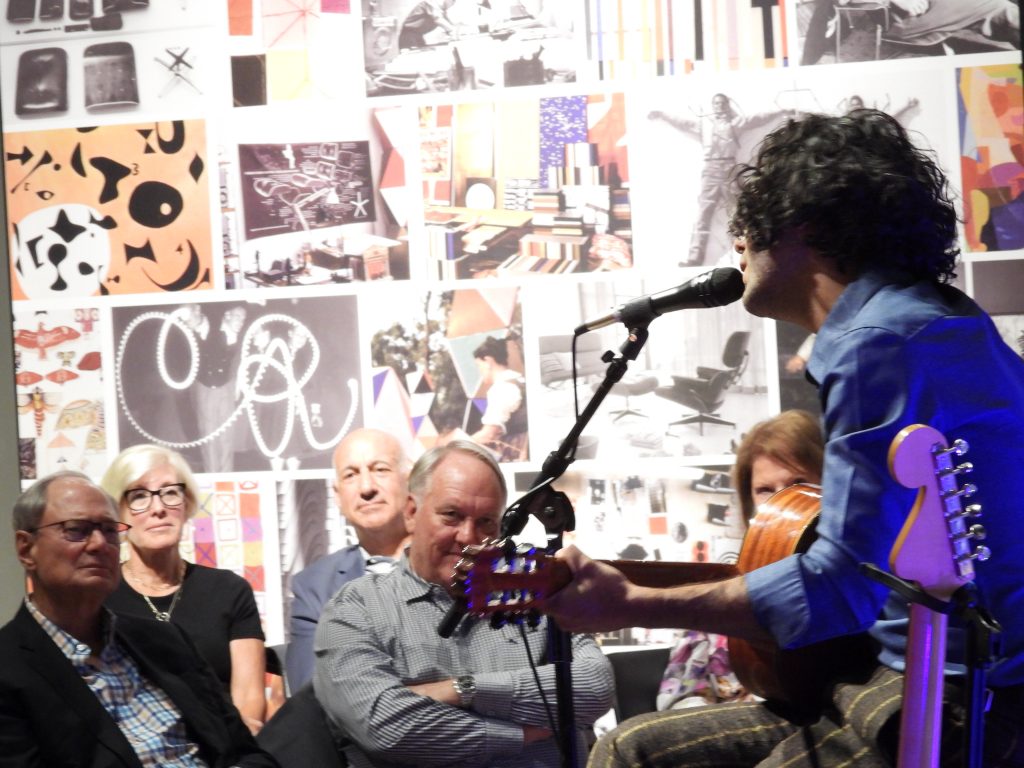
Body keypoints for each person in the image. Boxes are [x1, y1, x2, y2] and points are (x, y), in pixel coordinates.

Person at [542, 109, 1024, 766]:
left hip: (960, 697)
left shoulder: (877, 342)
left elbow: (835, 589)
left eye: (749, 220)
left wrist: (632, 601)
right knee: (633, 750)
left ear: (803, 223)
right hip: (894, 676)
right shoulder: (924, 322)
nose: (737, 241)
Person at [313, 439, 614, 767]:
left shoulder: (533, 597)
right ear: (412, 513)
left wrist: (461, 690)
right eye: (452, 516)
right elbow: (386, 727)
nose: (469, 537)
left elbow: (595, 687)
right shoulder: (355, 609)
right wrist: (519, 734)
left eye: (486, 522)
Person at [0, 471, 279, 767]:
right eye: (76, 529)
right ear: (26, 548)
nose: (98, 544)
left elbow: (246, 752)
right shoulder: (9, 669)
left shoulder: (166, 640)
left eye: (109, 530)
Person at [658, 410, 825, 710]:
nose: (781, 502)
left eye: (797, 484)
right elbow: (676, 697)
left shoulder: (851, 584)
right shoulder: (723, 588)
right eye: (764, 491)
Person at [101, 444, 267, 734]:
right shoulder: (100, 599)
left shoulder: (229, 590)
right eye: (139, 496)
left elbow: (250, 703)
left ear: (187, 503)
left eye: (170, 492)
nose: (158, 508)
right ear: (118, 514)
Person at [286, 427, 412, 691]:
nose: (367, 488)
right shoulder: (314, 588)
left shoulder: (453, 566)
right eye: (351, 475)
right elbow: (310, 691)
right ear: (337, 495)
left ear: (409, 481)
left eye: (380, 469)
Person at [649, 94, 789, 267]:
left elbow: (758, 118)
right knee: (703, 215)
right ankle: (694, 258)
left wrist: (782, 111)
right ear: (712, 106)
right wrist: (662, 115)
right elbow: (682, 123)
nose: (719, 106)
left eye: (722, 103)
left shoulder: (736, 123)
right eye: (716, 103)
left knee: (742, 212)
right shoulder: (704, 125)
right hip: (711, 170)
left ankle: (754, 253)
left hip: (729, 169)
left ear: (727, 105)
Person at [469, 335, 528, 462]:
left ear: (488, 361)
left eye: (479, 366)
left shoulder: (502, 388)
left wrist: (461, 444)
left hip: (520, 458)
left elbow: (489, 434)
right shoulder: (521, 381)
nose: (480, 372)